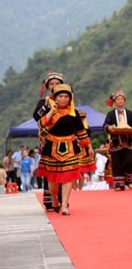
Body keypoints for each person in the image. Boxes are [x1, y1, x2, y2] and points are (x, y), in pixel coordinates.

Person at [36, 84, 90, 215]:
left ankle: (65, 205)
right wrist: (51, 111)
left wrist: (87, 146)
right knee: (52, 179)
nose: (63, 99)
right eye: (60, 96)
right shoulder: (49, 110)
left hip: (70, 147)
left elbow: (81, 131)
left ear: (70, 98)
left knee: (68, 177)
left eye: (66, 96)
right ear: (55, 98)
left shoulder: (74, 113)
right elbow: (42, 123)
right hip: (51, 147)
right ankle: (54, 199)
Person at [33, 71, 65, 211]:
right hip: (48, 141)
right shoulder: (43, 102)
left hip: (64, 140)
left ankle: (62, 200)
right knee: (49, 170)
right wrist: (46, 106)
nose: (54, 86)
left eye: (57, 84)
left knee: (64, 170)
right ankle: (50, 200)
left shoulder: (66, 100)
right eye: (51, 84)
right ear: (47, 86)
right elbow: (36, 117)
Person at [103, 90, 132, 191]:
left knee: (130, 160)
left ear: (124, 101)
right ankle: (119, 184)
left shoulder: (130, 113)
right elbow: (105, 125)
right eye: (118, 99)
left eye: (121, 99)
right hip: (115, 141)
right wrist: (109, 127)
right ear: (115, 101)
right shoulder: (110, 114)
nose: (120, 101)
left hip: (127, 141)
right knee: (117, 162)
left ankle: (129, 180)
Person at [74, 110, 96, 190]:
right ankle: (74, 187)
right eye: (80, 115)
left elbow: (88, 138)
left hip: (84, 149)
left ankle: (80, 188)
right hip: (74, 148)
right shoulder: (73, 125)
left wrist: (90, 148)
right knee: (74, 170)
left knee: (81, 171)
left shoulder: (87, 127)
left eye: (83, 115)